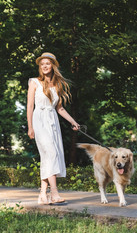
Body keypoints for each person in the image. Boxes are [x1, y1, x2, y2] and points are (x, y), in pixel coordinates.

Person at [27, 52, 80, 205]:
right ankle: (54, 193)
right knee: (51, 153)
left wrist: (73, 122)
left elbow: (60, 108)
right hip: (39, 120)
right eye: (42, 63)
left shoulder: (57, 85)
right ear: (40, 67)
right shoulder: (34, 82)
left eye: (48, 63)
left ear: (53, 66)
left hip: (52, 121)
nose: (44, 66)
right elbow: (30, 106)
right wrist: (30, 126)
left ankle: (43, 195)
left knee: (48, 156)